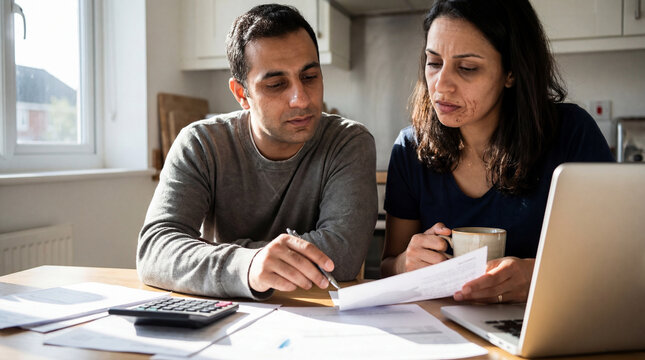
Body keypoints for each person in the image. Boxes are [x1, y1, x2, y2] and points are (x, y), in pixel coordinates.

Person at [138, 4, 377, 300]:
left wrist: (215, 255)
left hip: (316, 316)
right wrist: (249, 266)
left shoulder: (348, 142)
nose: (300, 99)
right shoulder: (200, 144)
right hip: (224, 317)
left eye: (310, 77)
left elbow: (342, 256)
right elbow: (156, 250)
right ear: (242, 94)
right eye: (276, 84)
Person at [381, 0, 613, 304]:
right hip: (444, 332)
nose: (441, 85)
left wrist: (536, 276)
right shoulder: (410, 149)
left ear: (511, 73)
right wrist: (404, 264)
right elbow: (386, 268)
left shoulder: (570, 134)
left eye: (467, 68)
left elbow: (615, 261)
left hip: (540, 329)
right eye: (433, 62)